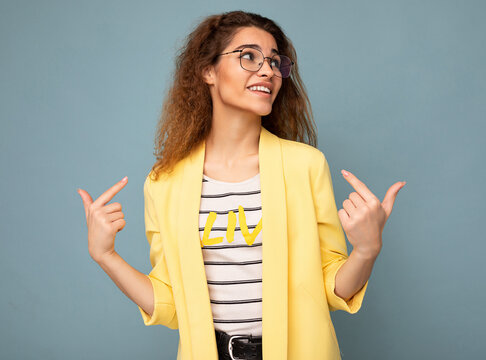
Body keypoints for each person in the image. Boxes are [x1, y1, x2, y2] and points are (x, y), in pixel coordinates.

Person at [78, 10, 405, 360]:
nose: (268, 70)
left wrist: (366, 250)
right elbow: (173, 303)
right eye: (248, 56)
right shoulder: (164, 182)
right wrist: (105, 256)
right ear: (208, 71)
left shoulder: (305, 165)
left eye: (275, 62)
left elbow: (330, 288)